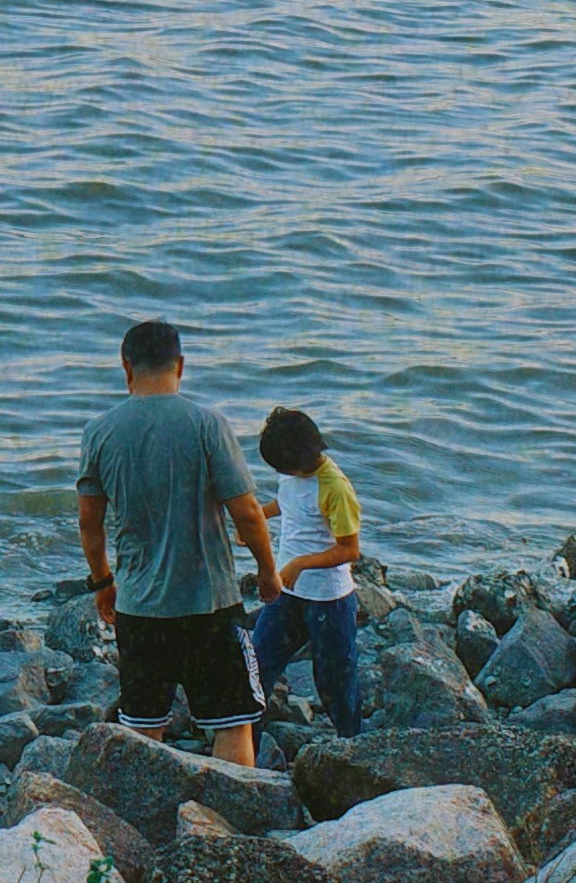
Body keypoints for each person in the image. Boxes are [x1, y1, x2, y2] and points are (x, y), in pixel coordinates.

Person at [74, 319, 277, 767]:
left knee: (143, 724)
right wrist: (267, 570)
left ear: (126, 368)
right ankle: (231, 815)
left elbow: (90, 523)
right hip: (209, 603)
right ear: (180, 365)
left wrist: (102, 582)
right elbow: (246, 511)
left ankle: (140, 825)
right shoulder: (208, 425)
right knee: (232, 720)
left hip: (140, 606)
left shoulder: (100, 432)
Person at [246, 406, 368, 738]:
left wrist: (300, 563)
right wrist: (255, 518)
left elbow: (349, 550)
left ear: (300, 458)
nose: (279, 471)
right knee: (257, 666)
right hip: (287, 593)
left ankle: (352, 744)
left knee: (334, 681)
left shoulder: (336, 489)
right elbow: (287, 503)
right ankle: (246, 744)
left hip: (329, 600)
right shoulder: (292, 473)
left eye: (281, 466)